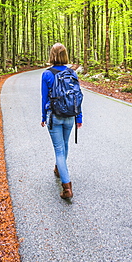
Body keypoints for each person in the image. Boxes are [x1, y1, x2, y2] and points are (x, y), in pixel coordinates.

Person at [41, 43, 83, 199]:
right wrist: (79, 117)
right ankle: (59, 168)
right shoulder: (72, 73)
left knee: (59, 149)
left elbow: (44, 97)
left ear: (52, 55)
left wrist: (43, 116)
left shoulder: (47, 74)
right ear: (65, 55)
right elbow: (77, 97)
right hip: (70, 117)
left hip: (54, 116)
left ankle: (67, 188)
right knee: (64, 145)